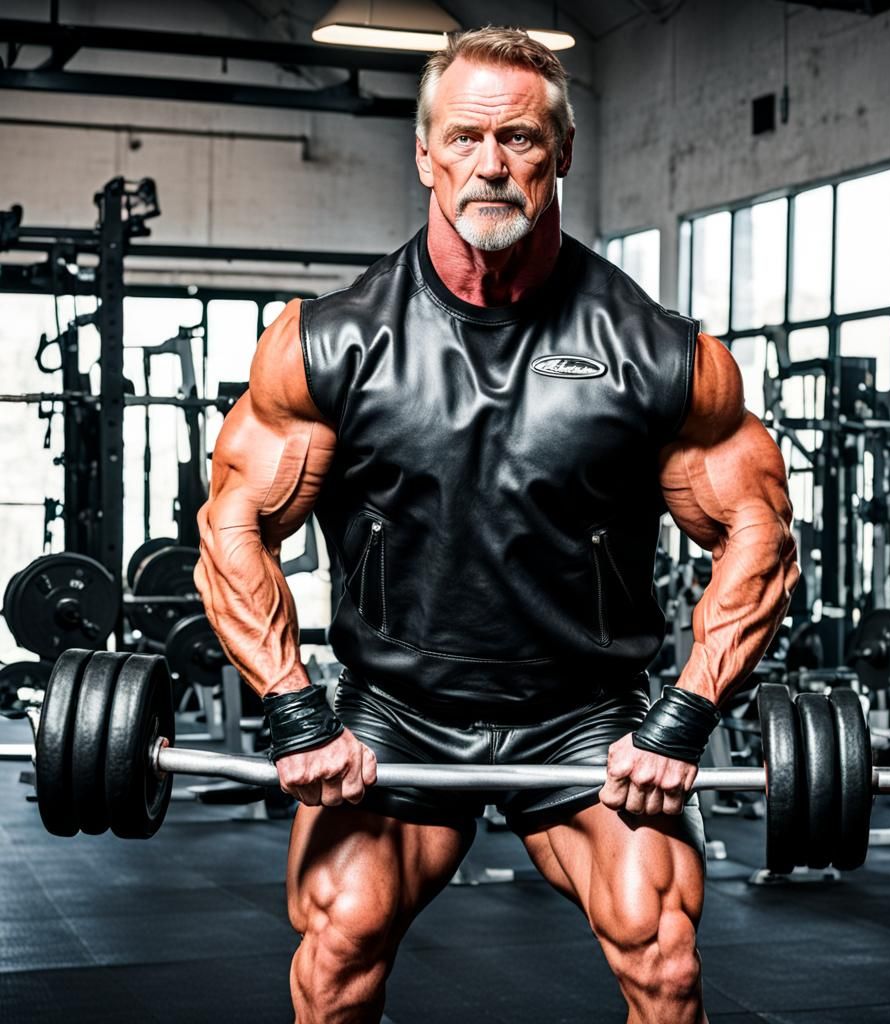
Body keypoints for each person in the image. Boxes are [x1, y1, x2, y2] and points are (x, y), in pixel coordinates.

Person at [195, 26, 798, 1024]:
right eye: (465, 138)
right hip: (397, 711)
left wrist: (686, 714)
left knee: (662, 953)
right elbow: (231, 527)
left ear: (561, 153)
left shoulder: (660, 356)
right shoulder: (329, 342)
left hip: (582, 715)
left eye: (518, 138)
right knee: (337, 946)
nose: (490, 164)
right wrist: (297, 709)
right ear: (425, 154)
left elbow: (759, 534)